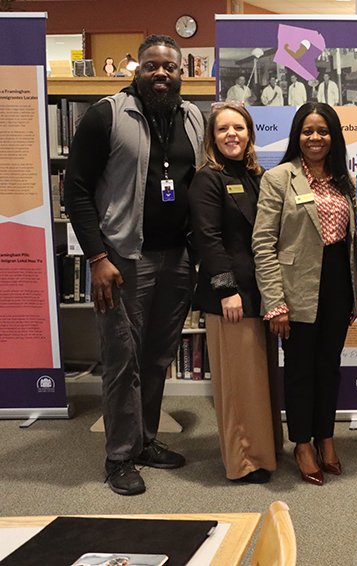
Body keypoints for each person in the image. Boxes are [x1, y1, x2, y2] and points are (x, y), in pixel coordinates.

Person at [64, 35, 204, 496]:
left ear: (182, 73)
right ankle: (118, 456)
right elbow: (77, 191)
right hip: (123, 258)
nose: (161, 74)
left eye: (169, 67)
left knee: (157, 356)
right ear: (137, 70)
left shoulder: (191, 117)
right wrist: (98, 258)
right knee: (123, 359)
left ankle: (144, 440)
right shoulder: (106, 115)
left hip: (178, 258)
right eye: (151, 66)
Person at [252, 103, 357, 486]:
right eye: (307, 131)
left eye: (322, 131)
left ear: (334, 136)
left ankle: (326, 437)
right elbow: (263, 244)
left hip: (337, 283)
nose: (315, 138)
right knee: (300, 370)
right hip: (296, 288)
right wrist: (274, 302)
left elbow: (354, 242)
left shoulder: (343, 181)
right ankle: (301, 443)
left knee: (329, 368)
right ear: (296, 136)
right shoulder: (279, 178)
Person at [189, 102, 283, 484]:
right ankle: (244, 460)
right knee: (239, 382)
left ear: (250, 134)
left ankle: (266, 449)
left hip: (261, 292)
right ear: (212, 136)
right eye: (223, 129)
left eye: (239, 128)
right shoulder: (206, 179)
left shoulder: (256, 176)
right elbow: (207, 239)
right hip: (231, 297)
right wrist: (227, 290)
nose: (232, 134)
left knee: (260, 378)